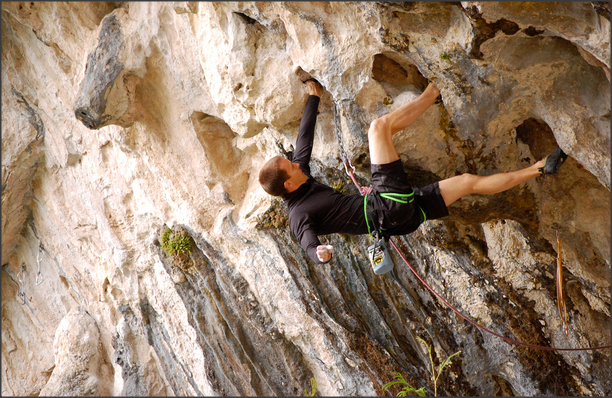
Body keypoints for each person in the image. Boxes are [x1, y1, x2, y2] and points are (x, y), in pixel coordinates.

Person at [258, 79, 567, 264]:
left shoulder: (300, 179)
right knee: (379, 128)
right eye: (291, 166)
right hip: (385, 206)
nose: (298, 162)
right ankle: (434, 91)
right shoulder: (298, 215)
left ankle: (540, 168)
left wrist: (313, 98)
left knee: (468, 182)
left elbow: (303, 142)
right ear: (287, 184)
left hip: (399, 220)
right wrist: (319, 253)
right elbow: (307, 243)